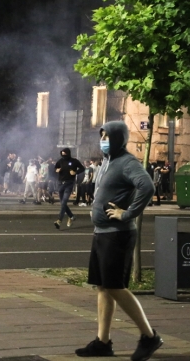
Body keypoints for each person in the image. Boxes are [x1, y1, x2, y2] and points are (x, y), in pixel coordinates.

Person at [75, 121, 162, 360]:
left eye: (107, 137)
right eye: (101, 136)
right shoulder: (108, 162)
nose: (103, 140)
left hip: (118, 234)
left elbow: (147, 187)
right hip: (103, 233)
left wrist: (127, 213)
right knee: (103, 287)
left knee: (115, 286)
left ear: (118, 139)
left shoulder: (128, 162)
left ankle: (149, 336)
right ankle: (103, 342)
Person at [54, 148, 84, 229]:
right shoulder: (60, 161)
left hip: (69, 183)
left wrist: (75, 172)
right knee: (63, 203)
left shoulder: (74, 161)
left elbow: (82, 168)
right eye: (62, 154)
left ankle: (59, 220)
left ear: (68, 153)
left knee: (64, 202)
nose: (63, 156)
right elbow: (55, 168)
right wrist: (57, 170)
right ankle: (71, 216)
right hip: (60, 183)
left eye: (65, 154)